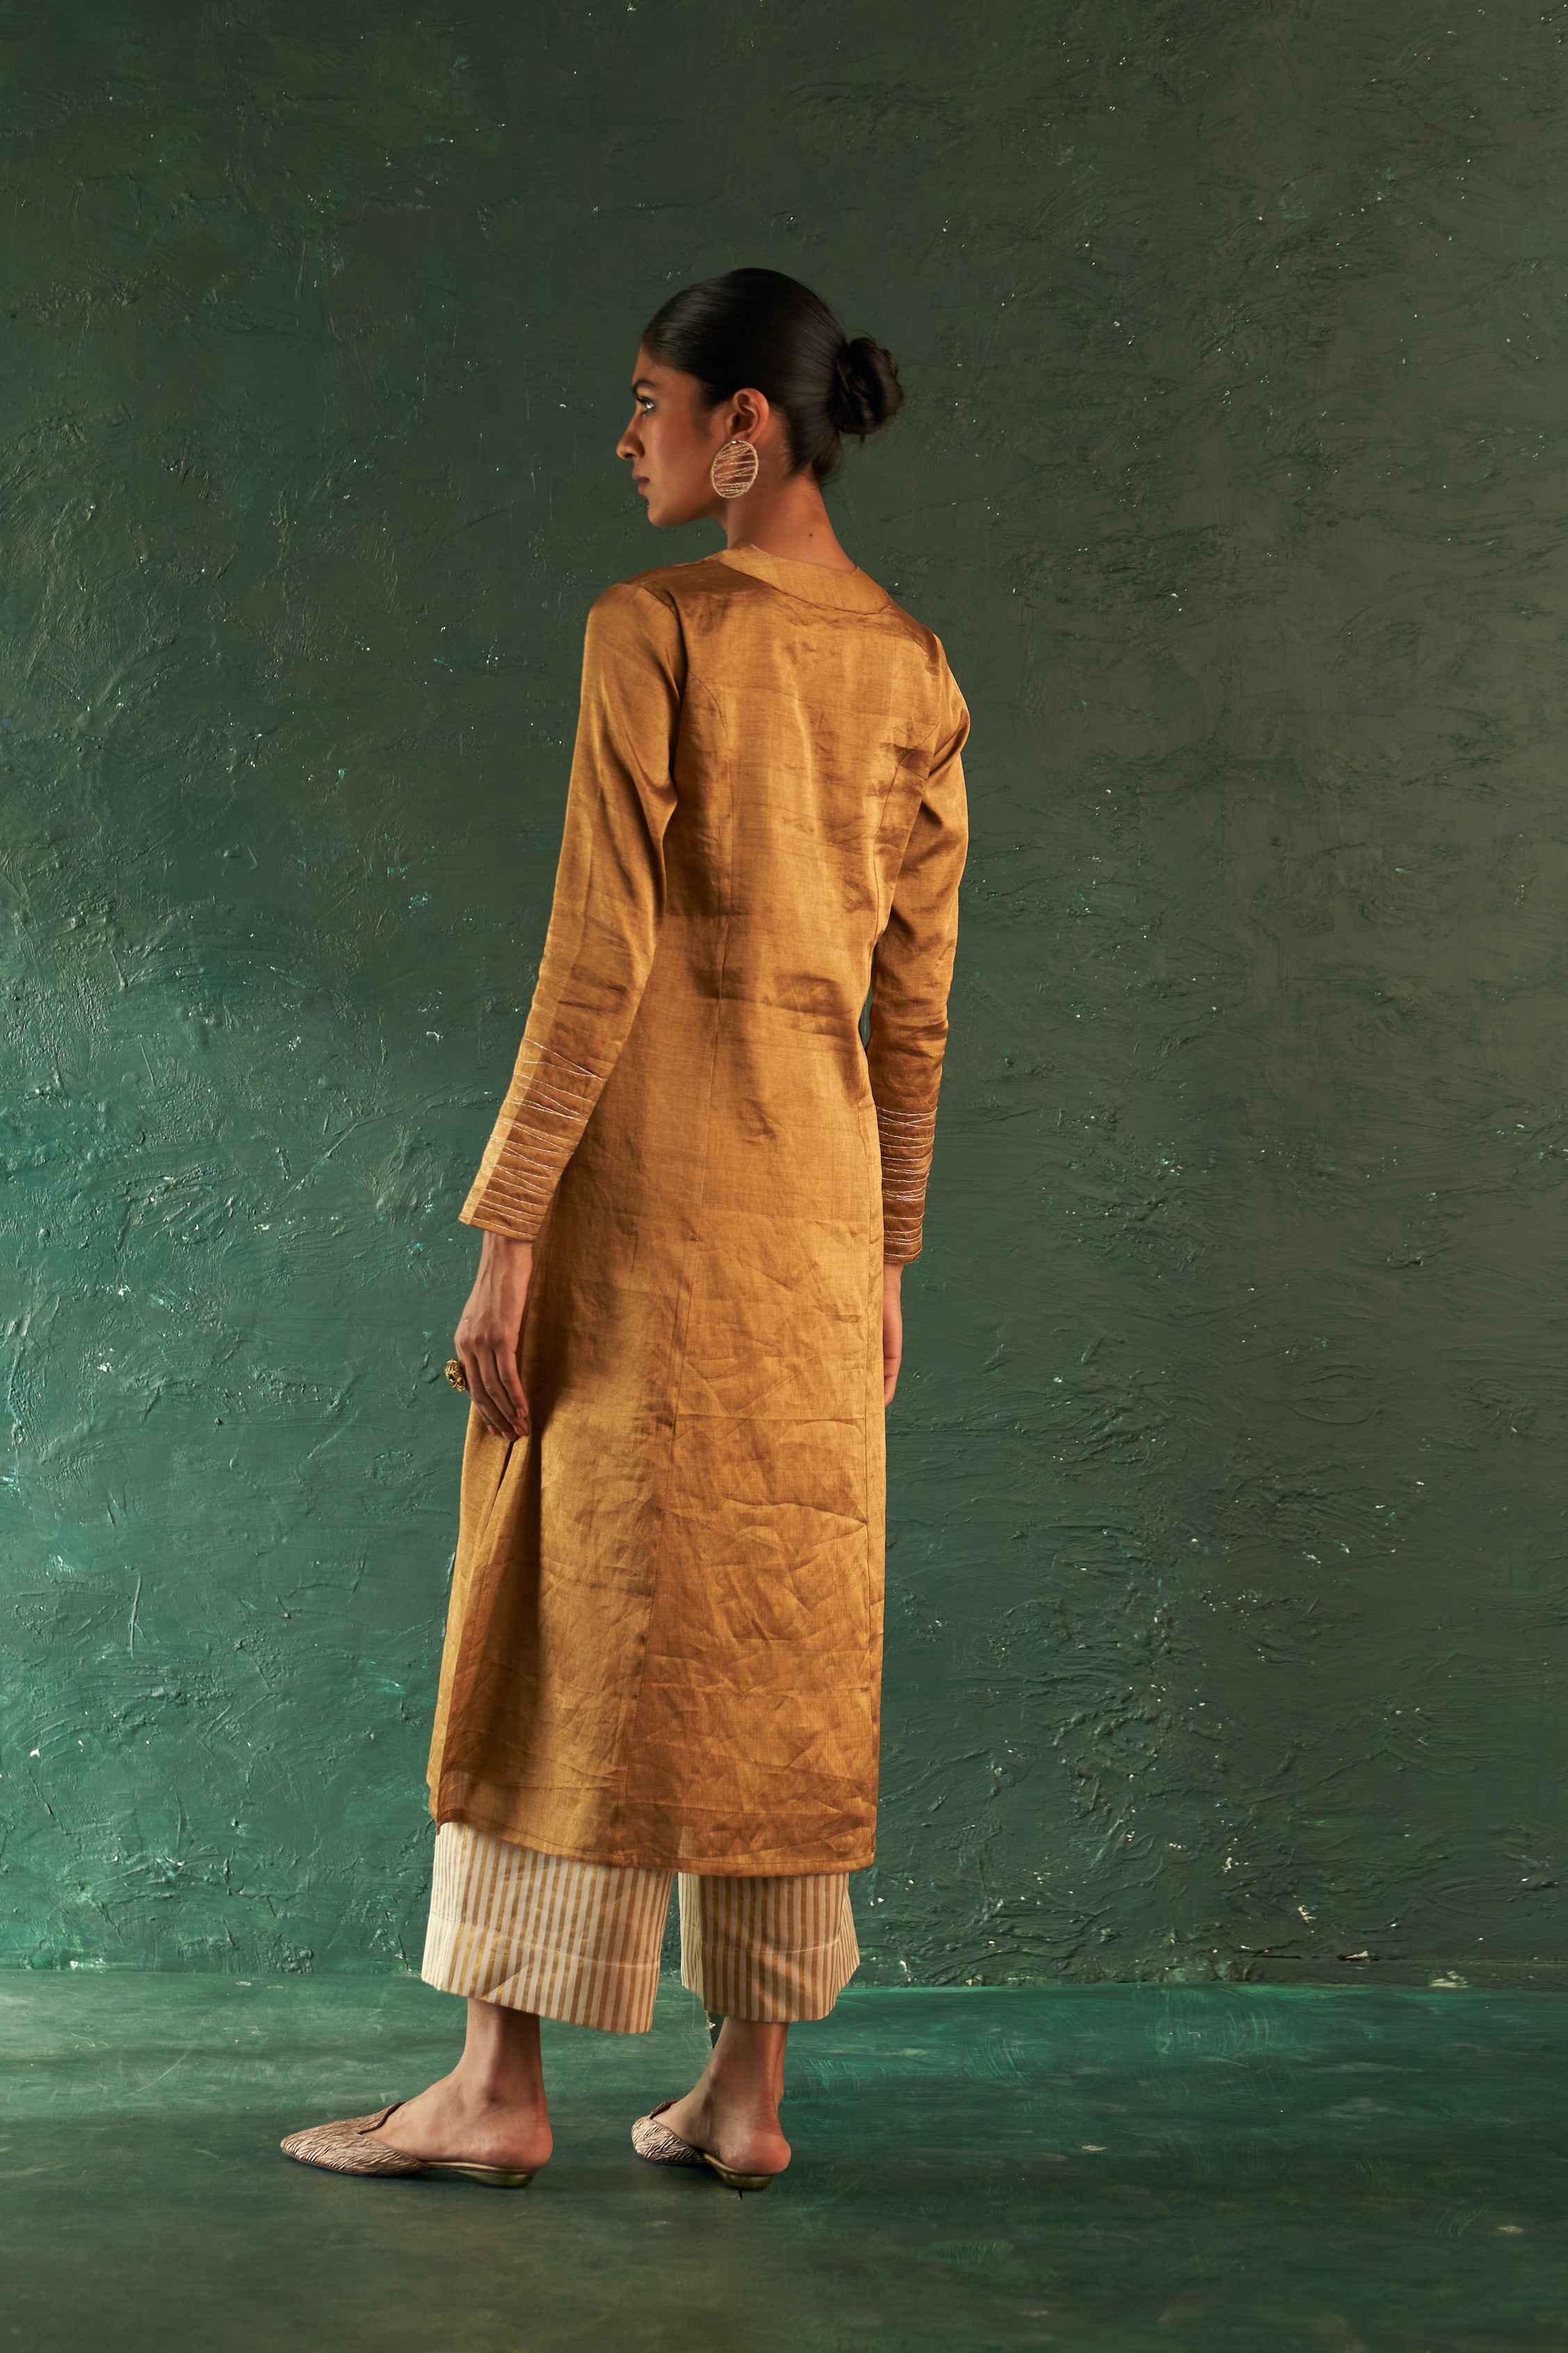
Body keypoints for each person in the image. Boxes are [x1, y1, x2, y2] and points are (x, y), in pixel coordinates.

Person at [281, 266, 969, 2194]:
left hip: (647, 1203)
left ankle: (498, 2085)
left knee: (554, 1590)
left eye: (649, 404)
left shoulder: (653, 627)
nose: (627, 437)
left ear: (745, 429)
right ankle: (746, 2096)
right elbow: (916, 1002)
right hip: (815, 1214)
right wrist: (890, 1252)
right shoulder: (916, 670)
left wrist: (508, 1231)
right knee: (786, 1615)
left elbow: (598, 950)